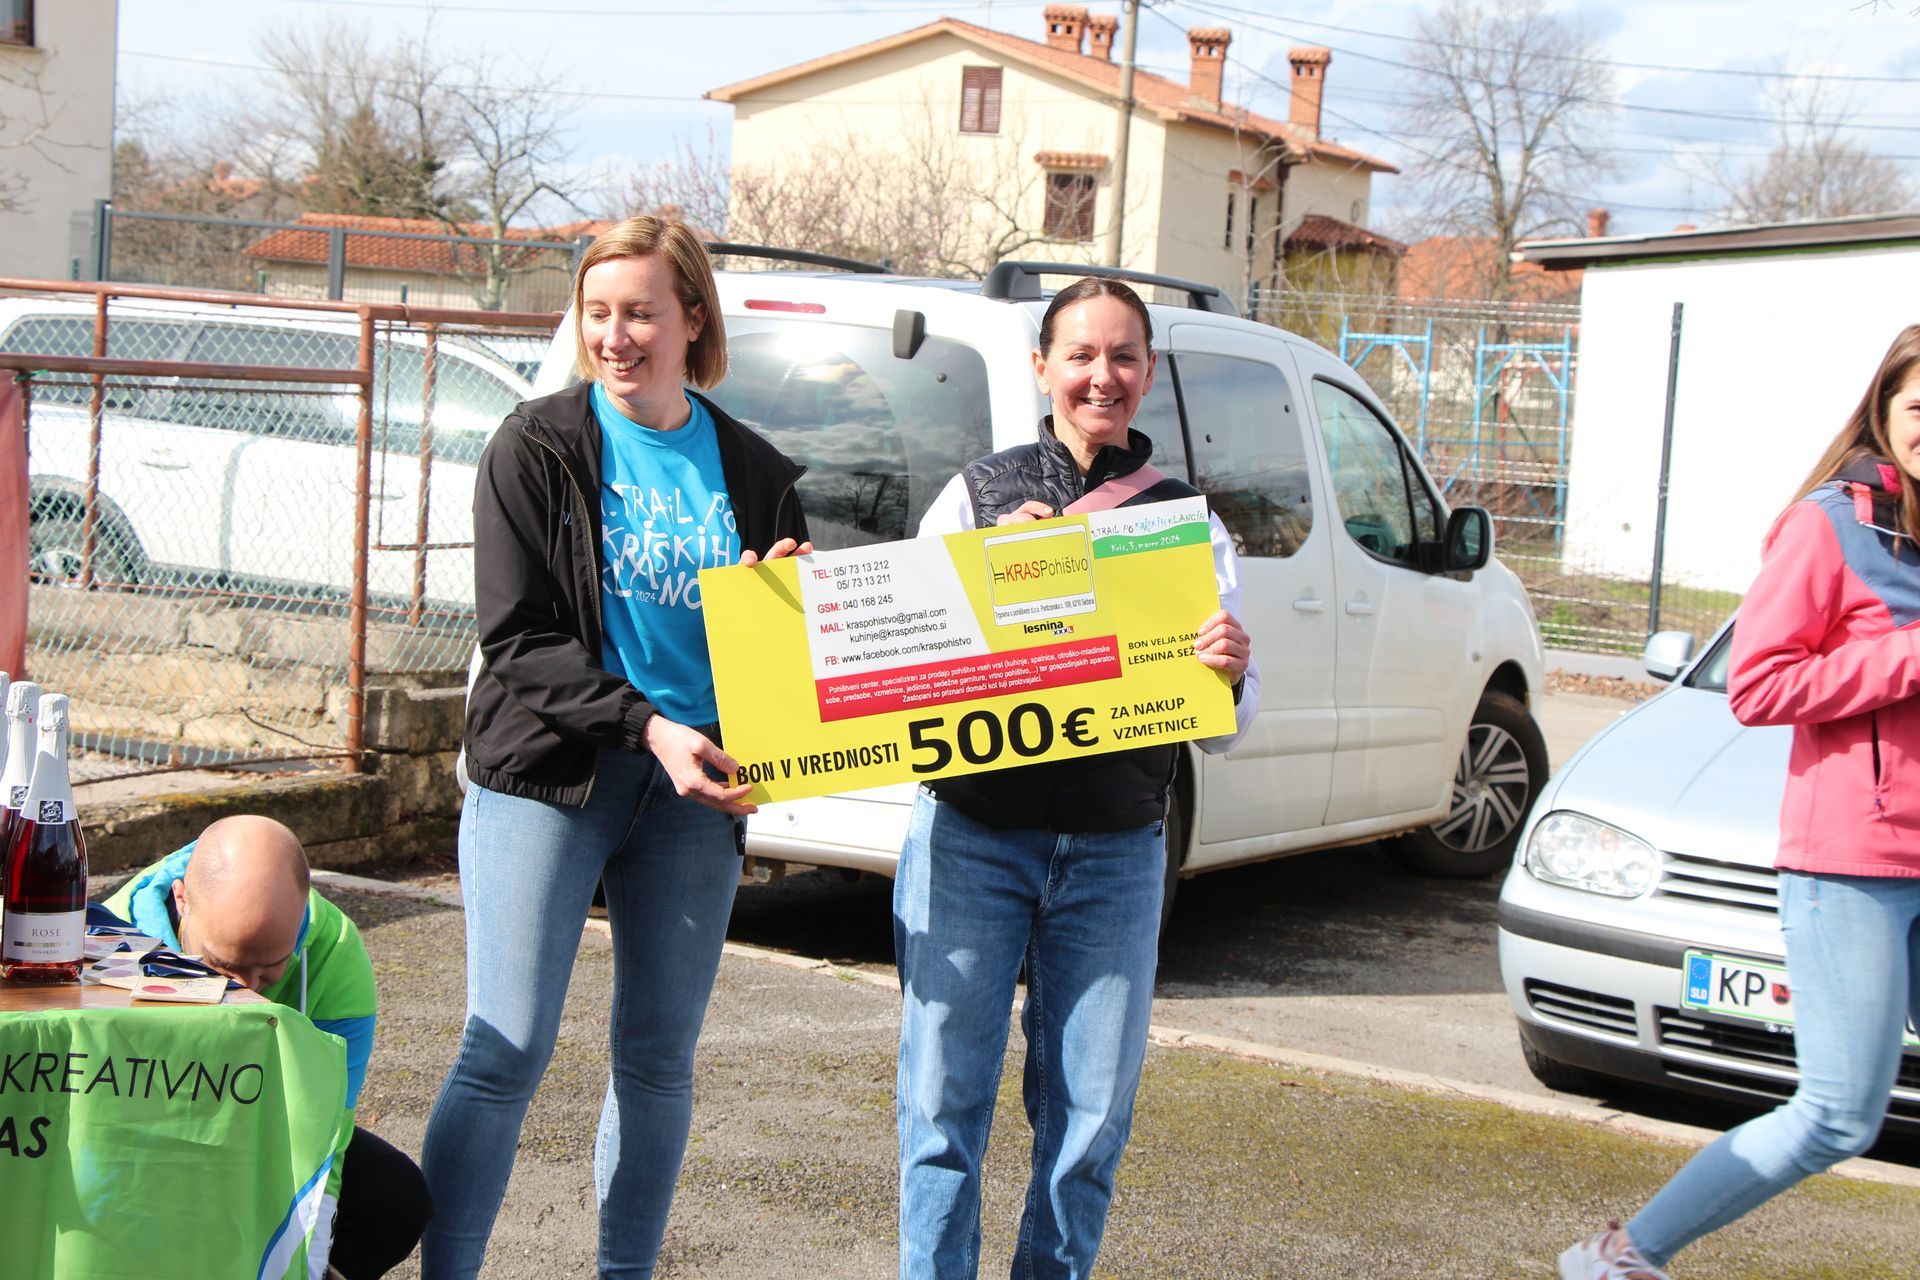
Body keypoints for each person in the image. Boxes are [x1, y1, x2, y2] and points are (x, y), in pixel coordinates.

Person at [417, 215, 809, 1279]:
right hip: (549, 776)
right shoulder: (534, 446)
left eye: (640, 312)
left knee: (657, 1061)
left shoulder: (757, 471)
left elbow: (785, 659)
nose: (615, 335)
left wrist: (784, 623)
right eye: (597, 312)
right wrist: (649, 726)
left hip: (692, 796)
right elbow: (517, 641)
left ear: (694, 320)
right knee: (504, 1050)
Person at [895, 277, 1260, 1280]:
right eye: (1082, 355)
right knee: (941, 1105)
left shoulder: (1186, 521)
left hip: (1116, 854)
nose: (1104, 376)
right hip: (972, 838)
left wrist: (1230, 671)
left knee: (1089, 1121)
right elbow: (907, 670)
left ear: (1149, 371)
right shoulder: (976, 496)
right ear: (1041, 367)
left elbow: (1227, 728)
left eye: (1124, 356)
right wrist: (983, 578)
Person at [1559, 325, 1920, 1278]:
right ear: (1884, 412)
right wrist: (1910, 655)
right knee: (1838, 1114)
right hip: (1857, 861)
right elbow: (1758, 685)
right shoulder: (1830, 525)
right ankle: (1620, 1257)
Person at [103, 814, 430, 1280]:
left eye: (269, 968)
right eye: (222, 964)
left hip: (262, 1130)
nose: (246, 990)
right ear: (182, 900)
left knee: (393, 1198)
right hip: (142, 1133)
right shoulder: (109, 942)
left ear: (300, 916)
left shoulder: (335, 954)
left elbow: (324, 1137)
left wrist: (307, 1266)